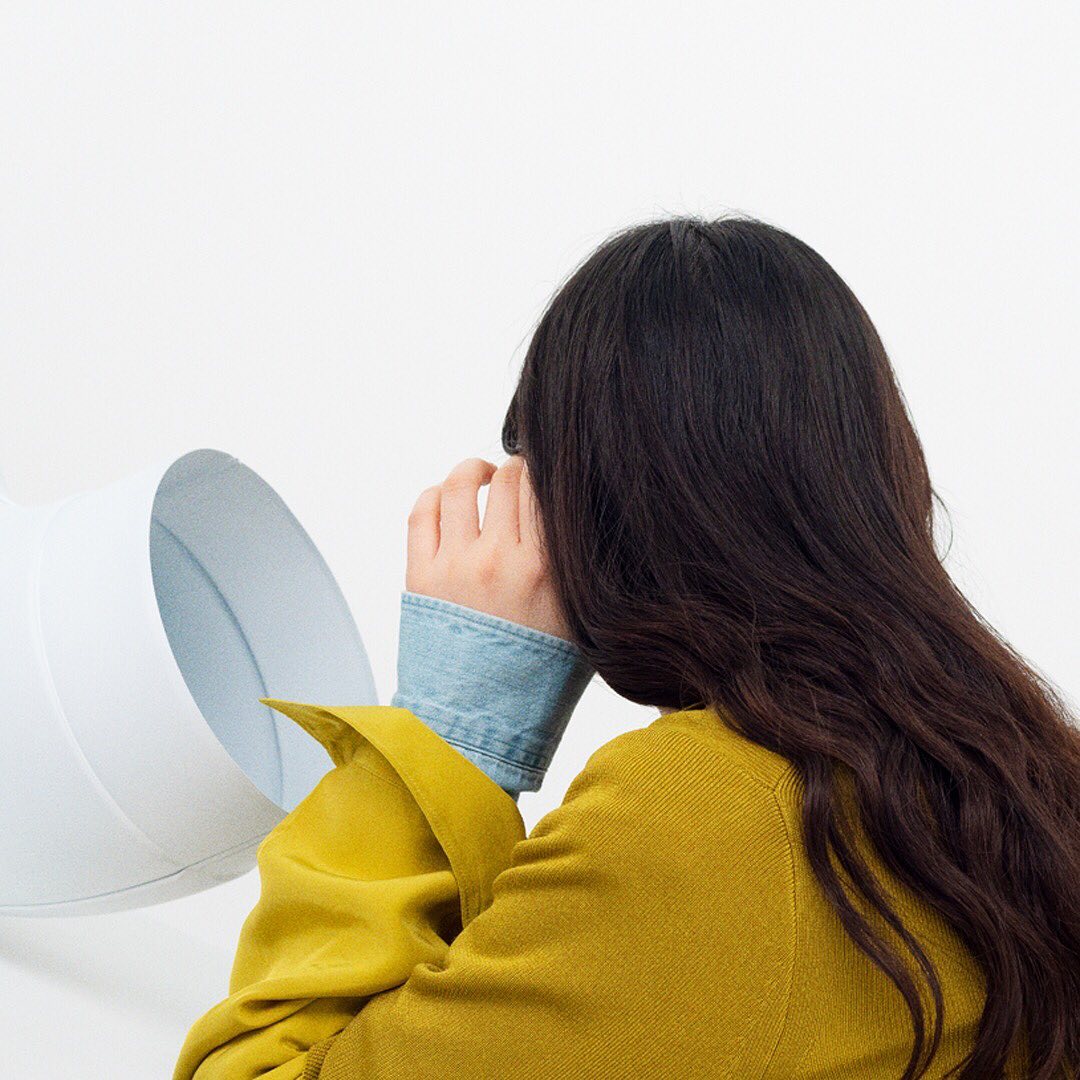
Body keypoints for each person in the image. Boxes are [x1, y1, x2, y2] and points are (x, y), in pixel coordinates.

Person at [174, 217, 1079, 1080]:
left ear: (585, 499)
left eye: (532, 467)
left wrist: (448, 738)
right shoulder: (1033, 786)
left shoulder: (703, 817)